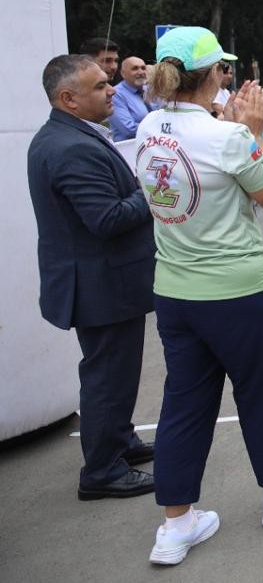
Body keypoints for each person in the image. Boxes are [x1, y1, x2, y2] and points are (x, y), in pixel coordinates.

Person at [135, 27, 263, 565]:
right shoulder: (229, 139)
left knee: (184, 403)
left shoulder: (149, 126)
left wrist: (234, 129)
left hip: (174, 290)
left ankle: (175, 524)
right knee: (260, 393)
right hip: (237, 291)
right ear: (214, 75)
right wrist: (254, 133)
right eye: (223, 69)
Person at [27, 54, 157, 501]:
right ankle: (102, 470)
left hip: (104, 281)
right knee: (107, 378)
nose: (113, 90)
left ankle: (119, 443)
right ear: (69, 99)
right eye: (101, 85)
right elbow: (105, 219)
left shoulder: (67, 135)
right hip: (102, 286)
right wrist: (151, 193)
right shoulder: (70, 147)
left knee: (115, 374)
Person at [109, 55, 153, 141]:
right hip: (128, 149)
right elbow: (129, 130)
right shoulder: (116, 94)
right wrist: (159, 126)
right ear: (123, 73)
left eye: (143, 68)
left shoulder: (148, 89)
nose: (141, 72)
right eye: (135, 68)